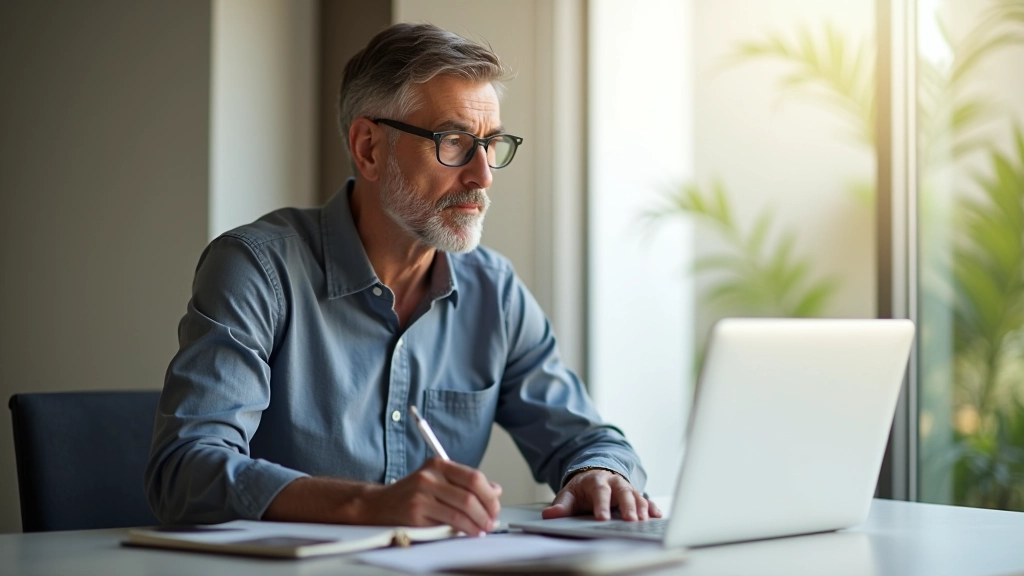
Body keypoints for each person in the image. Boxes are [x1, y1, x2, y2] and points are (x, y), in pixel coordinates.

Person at [145, 22, 660, 536]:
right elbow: (185, 470)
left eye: (492, 144)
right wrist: (368, 506)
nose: (483, 175)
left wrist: (601, 472)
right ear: (369, 148)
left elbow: (585, 438)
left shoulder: (494, 291)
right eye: (454, 142)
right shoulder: (257, 269)